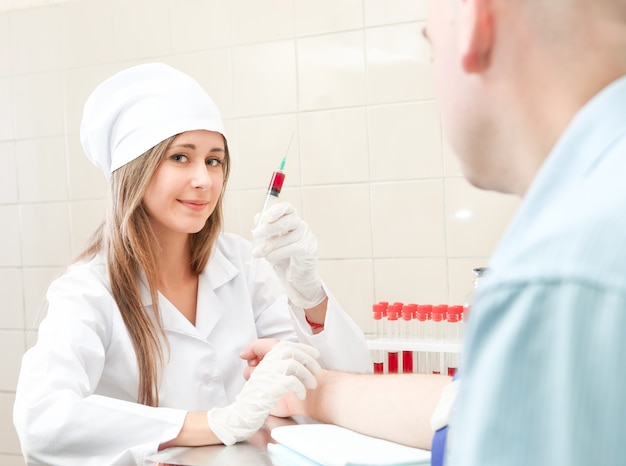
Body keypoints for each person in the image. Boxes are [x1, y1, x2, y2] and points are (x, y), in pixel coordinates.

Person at [253, 0, 626, 465]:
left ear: (475, 23)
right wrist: (316, 391)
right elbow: (468, 405)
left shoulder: (557, 272)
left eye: (432, 51)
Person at [12, 62, 371, 466]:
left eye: (214, 161)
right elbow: (42, 422)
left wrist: (310, 298)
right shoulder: (89, 290)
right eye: (181, 157)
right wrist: (216, 423)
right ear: (134, 171)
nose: (204, 179)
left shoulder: (243, 265)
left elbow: (354, 387)